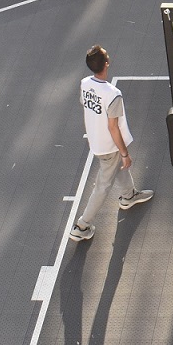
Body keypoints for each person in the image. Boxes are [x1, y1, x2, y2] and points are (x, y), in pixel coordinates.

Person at [67, 44, 153, 244]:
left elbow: (86, 104)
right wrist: (124, 153)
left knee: (118, 169)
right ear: (107, 63)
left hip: (96, 141)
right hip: (109, 145)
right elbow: (113, 127)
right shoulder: (113, 94)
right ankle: (82, 225)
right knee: (103, 186)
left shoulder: (85, 83)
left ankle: (128, 195)